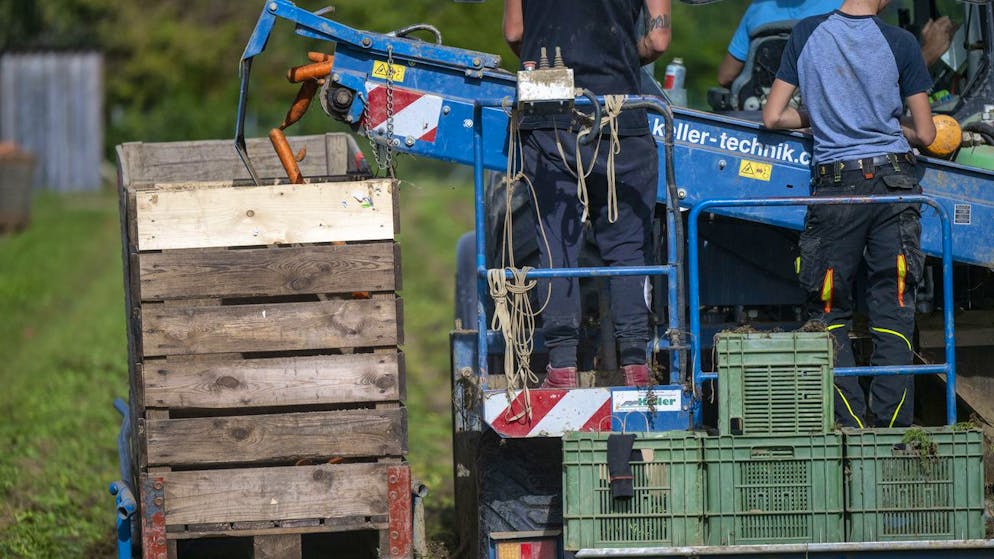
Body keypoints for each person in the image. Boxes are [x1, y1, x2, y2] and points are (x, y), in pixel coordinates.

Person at [763, 0, 936, 427]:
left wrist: (819, 116)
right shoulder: (901, 41)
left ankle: (852, 428)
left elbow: (771, 117)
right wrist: (893, 126)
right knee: (893, 305)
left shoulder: (806, 33)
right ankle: (891, 431)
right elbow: (928, 133)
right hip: (893, 186)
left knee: (828, 309)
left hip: (836, 188)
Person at [502, 0, 671, 388]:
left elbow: (514, 33)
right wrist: (621, 55)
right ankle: (635, 367)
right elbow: (658, 41)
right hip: (621, 113)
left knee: (555, 243)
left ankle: (561, 368)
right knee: (627, 248)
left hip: (549, 111)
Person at [718, 0, 956, 88]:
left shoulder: (758, 8)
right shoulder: (850, 6)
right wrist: (926, 55)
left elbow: (726, 77)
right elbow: (871, 84)